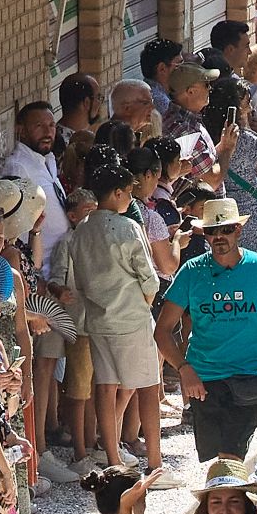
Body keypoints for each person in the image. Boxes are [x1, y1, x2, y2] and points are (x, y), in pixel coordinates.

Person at [155, 196, 257, 461]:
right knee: (217, 459)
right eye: (212, 231)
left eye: (226, 229)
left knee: (231, 458)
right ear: (204, 234)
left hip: (252, 373)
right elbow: (162, 330)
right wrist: (184, 370)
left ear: (238, 230)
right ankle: (224, 500)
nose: (219, 236)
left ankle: (228, 498)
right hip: (205, 378)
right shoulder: (192, 271)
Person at [67, 160, 165, 478]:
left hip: (97, 318)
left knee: (105, 386)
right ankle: (155, 462)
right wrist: (144, 305)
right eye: (129, 194)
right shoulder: (127, 228)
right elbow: (149, 280)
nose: (131, 200)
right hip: (131, 317)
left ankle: (113, 459)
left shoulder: (81, 230)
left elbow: (79, 280)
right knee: (149, 386)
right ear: (119, 192)